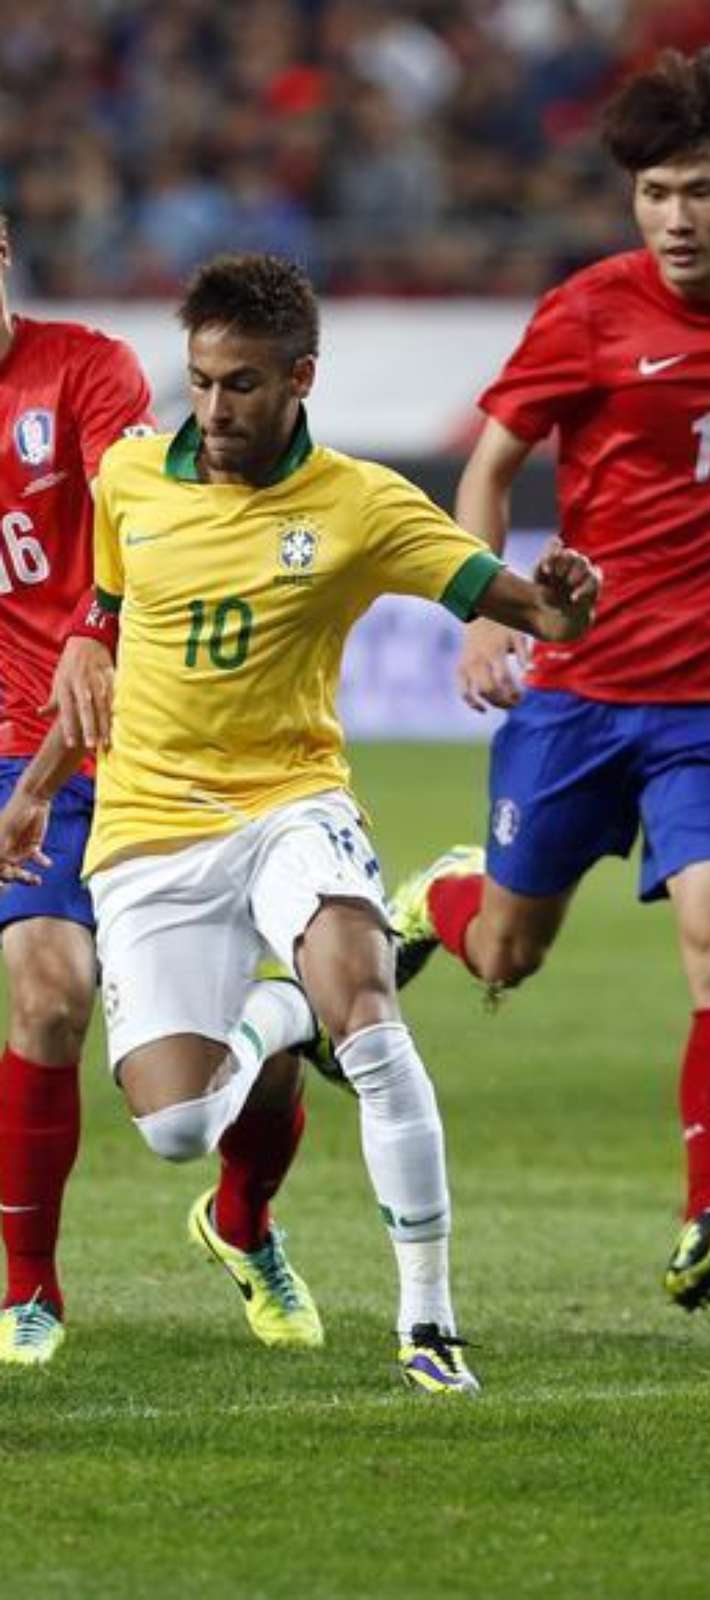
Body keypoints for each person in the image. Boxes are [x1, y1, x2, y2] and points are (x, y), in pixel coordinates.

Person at [0, 252, 600, 1391]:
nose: (216, 410)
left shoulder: (361, 504)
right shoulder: (132, 480)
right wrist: (37, 786)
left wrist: (560, 604)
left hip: (290, 800)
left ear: (301, 380)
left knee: (370, 1021)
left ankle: (430, 1329)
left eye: (241, 385)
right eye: (204, 383)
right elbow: (108, 632)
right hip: (148, 826)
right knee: (177, 1126)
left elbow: (518, 601)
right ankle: (279, 1020)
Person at [388, 46, 710, 1313]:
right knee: (509, 953)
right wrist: (480, 610)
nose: (673, 219)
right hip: (580, 691)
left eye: (697, 192)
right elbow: (492, 461)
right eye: (653, 195)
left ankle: (706, 1213)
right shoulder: (590, 313)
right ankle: (438, 897)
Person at [0, 214, 317, 1369]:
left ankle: (245, 1221)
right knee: (45, 993)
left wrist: (97, 624)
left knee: (260, 1054)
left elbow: (151, 511)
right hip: (14, 755)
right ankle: (29, 1289)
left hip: (151, 742)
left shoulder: (83, 368)